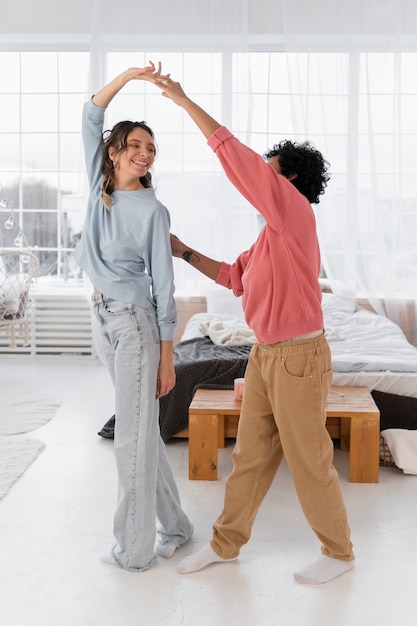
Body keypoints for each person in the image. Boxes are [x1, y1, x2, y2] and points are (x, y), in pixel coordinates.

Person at [150, 67, 355, 584]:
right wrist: (181, 250)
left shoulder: (295, 211)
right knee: (249, 456)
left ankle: (339, 554)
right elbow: (232, 277)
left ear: (287, 183)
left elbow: (235, 159)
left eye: (270, 172)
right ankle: (226, 544)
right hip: (265, 354)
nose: (261, 178)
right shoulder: (269, 238)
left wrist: (183, 99)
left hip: (299, 355)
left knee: (308, 458)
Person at [72, 62, 193, 572]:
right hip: (102, 318)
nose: (145, 156)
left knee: (131, 439)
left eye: (151, 150)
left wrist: (168, 358)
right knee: (141, 433)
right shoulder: (100, 183)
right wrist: (128, 76)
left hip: (137, 326)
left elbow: (165, 291)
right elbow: (88, 114)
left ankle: (135, 551)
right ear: (115, 150)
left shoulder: (152, 210)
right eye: (137, 146)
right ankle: (178, 527)